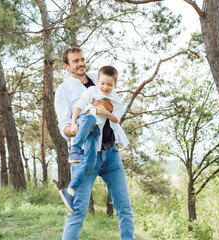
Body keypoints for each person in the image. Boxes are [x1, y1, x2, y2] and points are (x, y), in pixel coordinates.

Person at [54, 46, 136, 240]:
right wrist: (74, 129)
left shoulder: (98, 79)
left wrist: (104, 107)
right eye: (75, 61)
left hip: (111, 153)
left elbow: (114, 105)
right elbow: (64, 126)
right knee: (77, 211)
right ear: (67, 66)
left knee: (124, 208)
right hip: (85, 155)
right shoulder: (63, 90)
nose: (81, 63)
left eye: (82, 59)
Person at [59, 66, 129, 214]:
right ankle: (75, 150)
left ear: (114, 85)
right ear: (97, 81)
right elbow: (78, 107)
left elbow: (116, 118)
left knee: (90, 162)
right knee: (90, 117)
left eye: (109, 84)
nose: (105, 87)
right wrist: (73, 123)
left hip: (95, 132)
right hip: (84, 120)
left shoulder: (115, 100)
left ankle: (70, 190)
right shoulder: (91, 91)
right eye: (102, 83)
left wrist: (104, 112)